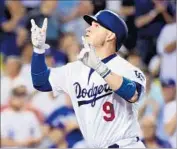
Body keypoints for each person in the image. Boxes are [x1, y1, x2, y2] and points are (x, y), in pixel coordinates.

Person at [30, 10, 146, 148]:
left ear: (110, 35)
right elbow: (40, 82)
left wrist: (99, 67)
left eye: (96, 26)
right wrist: (38, 50)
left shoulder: (126, 68)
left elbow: (132, 94)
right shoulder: (75, 69)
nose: (88, 28)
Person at [161, 79, 176, 148]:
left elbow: (168, 130)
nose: (166, 91)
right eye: (164, 88)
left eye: (169, 88)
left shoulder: (172, 105)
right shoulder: (166, 105)